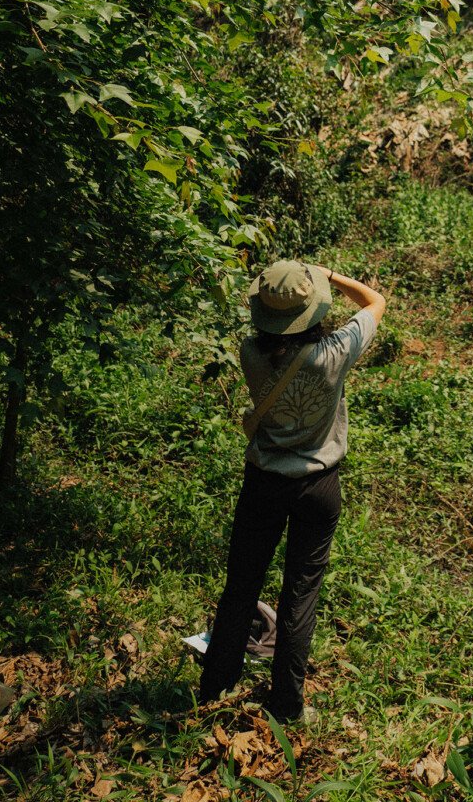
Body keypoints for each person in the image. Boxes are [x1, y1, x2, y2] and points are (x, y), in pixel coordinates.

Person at [199, 258, 386, 722]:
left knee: (241, 586)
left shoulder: (249, 352)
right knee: (300, 593)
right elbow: (376, 301)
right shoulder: (337, 351)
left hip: (264, 481)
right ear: (314, 308)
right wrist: (331, 275)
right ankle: (287, 706)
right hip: (318, 485)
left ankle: (215, 687)